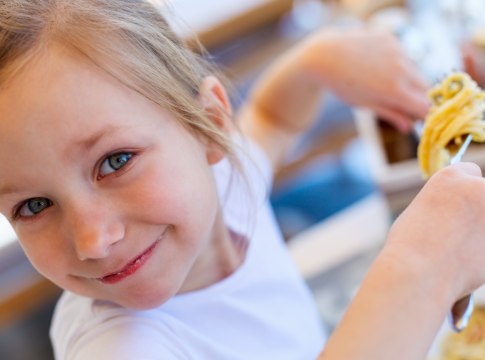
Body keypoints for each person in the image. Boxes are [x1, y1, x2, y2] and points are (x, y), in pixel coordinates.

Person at [0, 1, 483, 359]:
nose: (93, 241)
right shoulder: (120, 347)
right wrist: (421, 267)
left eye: (115, 161)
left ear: (209, 126)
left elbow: (272, 120)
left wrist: (313, 64)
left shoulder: (226, 188)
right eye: (34, 206)